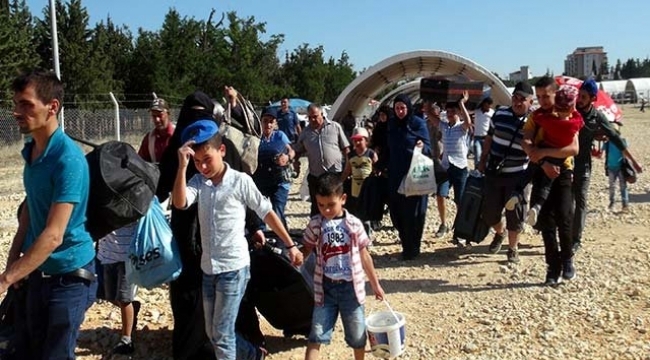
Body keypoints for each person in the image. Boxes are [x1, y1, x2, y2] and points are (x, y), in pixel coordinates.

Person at [172, 120, 304, 360]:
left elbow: (267, 212)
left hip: (234, 269)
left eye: (207, 159)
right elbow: (180, 202)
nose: (202, 166)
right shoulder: (198, 183)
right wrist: (182, 167)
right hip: (209, 270)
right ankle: (253, 355)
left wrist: (291, 245)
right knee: (214, 333)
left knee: (221, 336)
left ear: (221, 151)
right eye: (197, 161)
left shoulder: (240, 181)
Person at [0, 70, 97, 359]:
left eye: (26, 104)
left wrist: (5, 280)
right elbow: (31, 208)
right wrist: (14, 261)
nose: (17, 112)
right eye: (16, 103)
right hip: (36, 275)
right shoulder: (32, 151)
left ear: (52, 107)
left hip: (69, 279)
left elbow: (54, 235)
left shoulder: (68, 160)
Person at [302, 173, 385, 360]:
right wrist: (299, 256)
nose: (326, 210)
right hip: (325, 289)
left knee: (357, 336)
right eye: (321, 205)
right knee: (316, 334)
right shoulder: (316, 224)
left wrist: (375, 284)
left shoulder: (354, 225)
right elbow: (306, 247)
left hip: (351, 290)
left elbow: (365, 256)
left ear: (343, 199)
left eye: (331, 205)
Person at [572, 78, 643, 253]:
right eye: (579, 95)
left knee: (580, 200)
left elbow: (616, 139)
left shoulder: (597, 117)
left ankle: (576, 239)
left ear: (592, 98)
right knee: (565, 201)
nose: (579, 99)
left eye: (583, 96)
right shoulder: (571, 111)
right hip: (565, 164)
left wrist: (633, 161)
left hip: (583, 166)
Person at [524, 76, 580, 286]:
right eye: (538, 97)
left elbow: (573, 149)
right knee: (546, 222)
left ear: (556, 94)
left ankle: (567, 260)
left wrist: (542, 152)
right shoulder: (536, 116)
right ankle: (552, 268)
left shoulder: (568, 115)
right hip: (541, 171)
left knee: (565, 217)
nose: (543, 100)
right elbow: (527, 138)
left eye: (546, 96)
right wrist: (534, 153)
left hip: (563, 172)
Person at [505, 85, 584, 226]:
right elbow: (574, 145)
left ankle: (516, 193)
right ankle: (537, 206)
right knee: (546, 186)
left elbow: (535, 123)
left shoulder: (549, 119)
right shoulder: (574, 123)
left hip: (541, 151)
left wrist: (539, 152)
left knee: (528, 174)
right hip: (559, 159)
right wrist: (573, 112)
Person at [478, 82, 535, 263]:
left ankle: (512, 249)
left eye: (522, 99)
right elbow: (489, 137)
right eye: (515, 98)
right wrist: (482, 159)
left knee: (515, 214)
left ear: (530, 101)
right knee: (489, 212)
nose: (517, 102)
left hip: (518, 174)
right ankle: (500, 233)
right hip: (494, 171)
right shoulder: (500, 113)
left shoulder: (534, 121)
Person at [387, 94, 431, 260]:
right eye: (397, 108)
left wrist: (422, 146)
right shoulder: (391, 124)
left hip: (415, 175)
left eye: (402, 108)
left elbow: (428, 147)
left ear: (408, 108)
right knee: (397, 213)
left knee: (413, 214)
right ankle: (406, 243)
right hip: (395, 175)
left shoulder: (417, 124)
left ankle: (412, 248)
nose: (399, 111)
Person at [427, 92, 473, 245]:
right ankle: (443, 224)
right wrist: (431, 98)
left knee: (460, 200)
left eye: (454, 112)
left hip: (460, 167)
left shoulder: (461, 127)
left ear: (458, 113)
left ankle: (460, 228)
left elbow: (467, 121)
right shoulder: (444, 126)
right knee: (441, 194)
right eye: (449, 112)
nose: (451, 114)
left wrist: (462, 103)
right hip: (446, 166)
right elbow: (429, 114)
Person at [294, 103, 350, 217]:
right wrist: (296, 162)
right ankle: (317, 231)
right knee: (316, 207)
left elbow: (346, 149)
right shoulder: (305, 133)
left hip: (335, 174)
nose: (312, 119)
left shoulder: (335, 127)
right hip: (316, 176)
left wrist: (347, 170)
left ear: (322, 114)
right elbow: (297, 150)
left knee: (336, 205)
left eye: (315, 116)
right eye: (310, 117)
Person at [96, 223, 140, 355]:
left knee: (124, 298)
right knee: (109, 296)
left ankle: (126, 339)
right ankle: (132, 310)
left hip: (128, 256)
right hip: (107, 255)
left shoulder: (131, 204)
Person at [252, 107, 295, 229]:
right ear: (261, 122)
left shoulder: (280, 136)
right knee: (260, 213)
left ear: (275, 123)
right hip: (261, 181)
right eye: (265, 121)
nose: (268, 124)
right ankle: (263, 242)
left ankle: (283, 242)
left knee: (278, 213)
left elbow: (291, 151)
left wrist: (287, 158)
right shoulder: (256, 137)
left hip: (279, 182)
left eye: (271, 121)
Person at [341, 127, 378, 234]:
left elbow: (377, 169)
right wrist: (339, 184)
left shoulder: (371, 154)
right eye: (355, 140)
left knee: (366, 215)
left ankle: (367, 236)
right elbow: (347, 171)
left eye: (360, 139)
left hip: (368, 189)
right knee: (356, 214)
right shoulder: (351, 155)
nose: (357, 142)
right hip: (355, 189)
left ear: (366, 141)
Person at [422, 100, 449, 238]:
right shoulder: (424, 125)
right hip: (429, 163)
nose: (433, 113)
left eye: (434, 110)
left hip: (442, 165)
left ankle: (445, 223)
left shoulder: (443, 125)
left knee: (441, 195)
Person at [603, 124, 631, 212]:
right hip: (611, 167)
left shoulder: (622, 141)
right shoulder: (607, 143)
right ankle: (612, 202)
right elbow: (601, 154)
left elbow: (626, 152)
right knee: (612, 186)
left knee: (623, 186)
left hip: (620, 167)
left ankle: (625, 204)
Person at [138, 97, 175, 163]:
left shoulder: (179, 134)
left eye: (160, 115)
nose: (157, 120)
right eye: (154, 116)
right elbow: (141, 163)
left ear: (168, 114)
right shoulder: (149, 139)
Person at [472, 97, 494, 168]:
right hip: (477, 137)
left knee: (486, 156)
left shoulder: (492, 112)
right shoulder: (477, 111)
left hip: (487, 138)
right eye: (487, 105)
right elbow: (468, 112)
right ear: (484, 104)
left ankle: (484, 172)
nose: (489, 107)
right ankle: (477, 170)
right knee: (477, 155)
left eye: (490, 106)